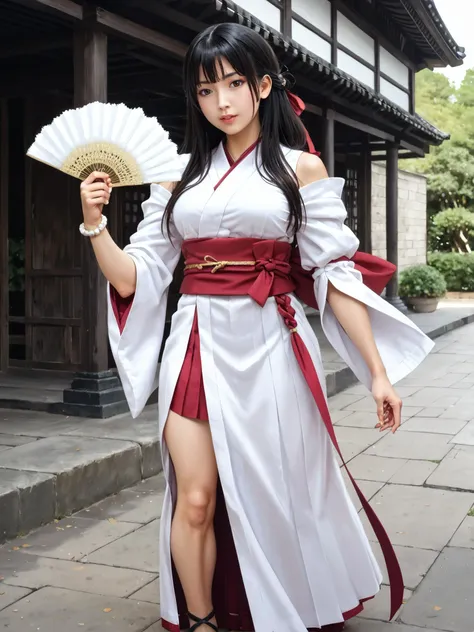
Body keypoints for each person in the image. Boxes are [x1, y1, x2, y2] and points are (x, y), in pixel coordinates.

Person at [79, 22, 433, 632]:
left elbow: (334, 275)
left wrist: (378, 373)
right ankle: (202, 618)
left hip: (270, 339)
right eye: (206, 88)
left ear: (263, 86)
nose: (221, 101)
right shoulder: (178, 176)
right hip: (193, 341)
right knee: (193, 498)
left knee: (278, 491)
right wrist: (95, 224)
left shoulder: (301, 170)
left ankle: (286, 601)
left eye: (235, 83)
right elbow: (135, 278)